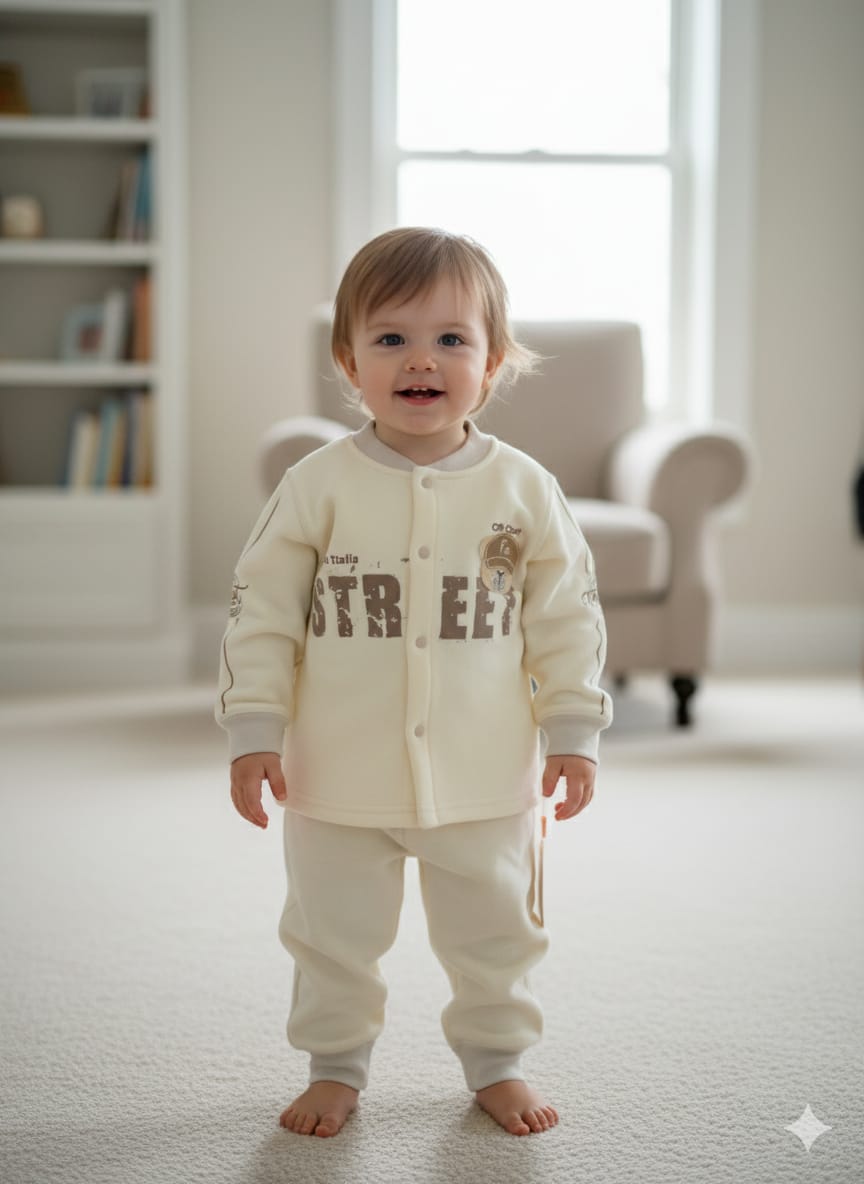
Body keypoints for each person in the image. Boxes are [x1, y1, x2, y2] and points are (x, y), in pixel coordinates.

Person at [216, 226, 612, 1139]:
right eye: (390, 339)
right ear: (348, 361)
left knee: (497, 935)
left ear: (495, 361)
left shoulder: (525, 488)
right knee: (330, 934)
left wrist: (573, 730)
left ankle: (498, 1062)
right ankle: (336, 1066)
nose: (420, 360)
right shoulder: (315, 485)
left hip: (484, 775)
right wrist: (254, 732)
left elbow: (568, 617)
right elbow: (262, 611)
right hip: (337, 774)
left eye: (451, 340)